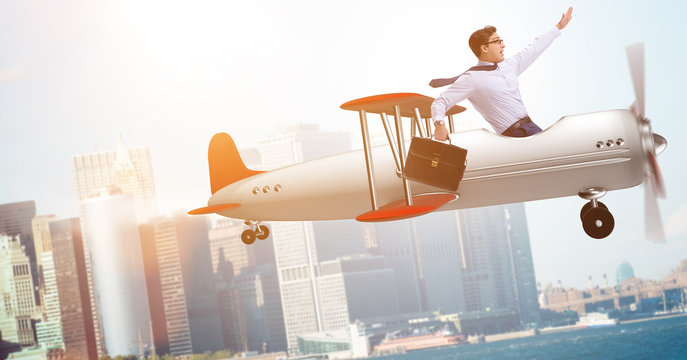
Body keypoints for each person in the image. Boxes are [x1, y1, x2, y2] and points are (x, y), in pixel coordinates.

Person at [431, 7, 573, 140]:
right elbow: (441, 101)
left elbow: (534, 47)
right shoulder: (472, 79)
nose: (503, 45)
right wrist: (439, 125)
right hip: (513, 136)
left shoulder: (509, 65)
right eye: (497, 41)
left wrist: (558, 27)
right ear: (484, 48)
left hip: (532, 127)